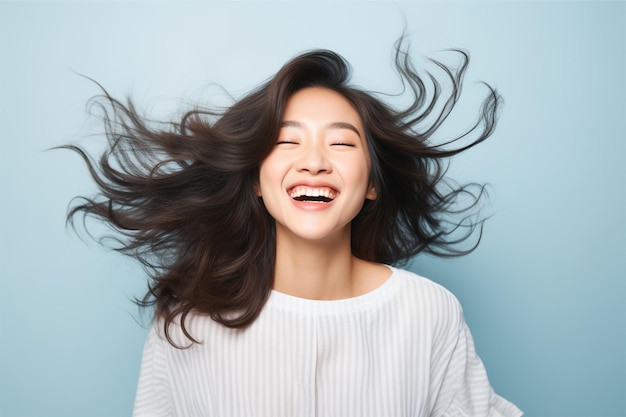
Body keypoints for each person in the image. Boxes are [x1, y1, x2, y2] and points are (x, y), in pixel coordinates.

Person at [64, 39, 522, 416]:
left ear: (371, 187)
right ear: (258, 182)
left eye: (341, 142)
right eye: (287, 141)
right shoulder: (189, 321)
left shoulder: (428, 312)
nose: (314, 162)